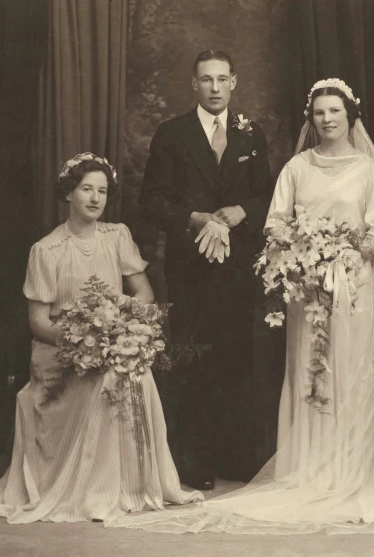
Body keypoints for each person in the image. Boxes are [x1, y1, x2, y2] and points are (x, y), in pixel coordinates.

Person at [107, 79, 374, 534]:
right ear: (312, 118)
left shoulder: (368, 171)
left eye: (335, 112)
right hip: (307, 293)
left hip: (352, 292)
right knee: (308, 373)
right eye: (319, 112)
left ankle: (346, 472)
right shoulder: (296, 168)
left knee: (345, 373)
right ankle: (306, 471)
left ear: (350, 117)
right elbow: (274, 224)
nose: (326, 120)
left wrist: (343, 253)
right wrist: (304, 252)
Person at [0, 153, 201, 523]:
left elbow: (144, 294)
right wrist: (81, 340)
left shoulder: (117, 236)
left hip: (110, 344)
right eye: (86, 190)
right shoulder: (47, 250)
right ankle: (95, 491)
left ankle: (130, 487)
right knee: (107, 377)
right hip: (60, 354)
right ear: (68, 194)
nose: (96, 199)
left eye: (102, 191)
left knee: (135, 373)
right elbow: (38, 322)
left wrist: (119, 323)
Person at [139, 50, 273, 490]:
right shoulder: (172, 134)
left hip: (236, 270)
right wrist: (195, 217)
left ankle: (235, 456)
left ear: (234, 81)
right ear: (193, 85)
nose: (215, 88)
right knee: (191, 360)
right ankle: (192, 461)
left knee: (236, 359)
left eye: (222, 79)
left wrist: (241, 211)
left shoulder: (251, 134)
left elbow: (270, 197)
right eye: (205, 80)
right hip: (189, 269)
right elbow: (153, 200)